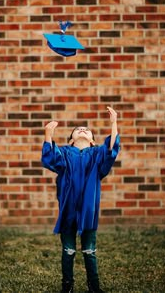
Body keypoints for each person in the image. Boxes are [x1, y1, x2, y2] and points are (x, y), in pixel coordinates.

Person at [41, 107, 120, 293]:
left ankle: (94, 287)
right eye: (78, 129)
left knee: (89, 250)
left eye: (86, 129)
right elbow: (50, 159)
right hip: (68, 210)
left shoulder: (97, 155)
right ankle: (67, 286)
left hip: (88, 211)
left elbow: (111, 150)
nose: (82, 130)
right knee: (68, 250)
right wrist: (48, 134)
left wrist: (114, 123)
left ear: (93, 141)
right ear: (70, 141)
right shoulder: (65, 154)